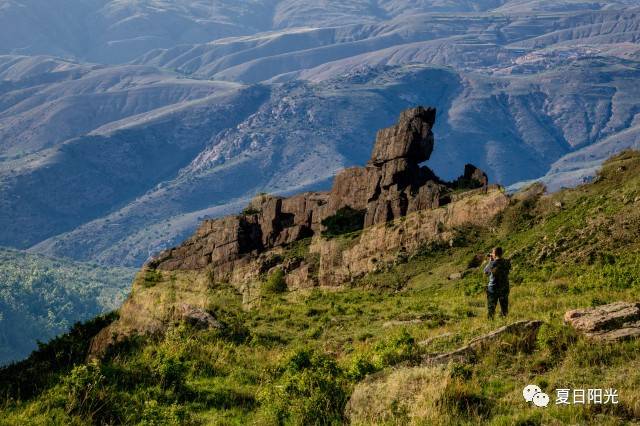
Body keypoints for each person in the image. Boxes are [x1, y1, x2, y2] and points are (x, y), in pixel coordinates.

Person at [483, 247, 511, 320]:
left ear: (494, 254)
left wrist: (490, 261)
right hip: (504, 287)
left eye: (492, 253)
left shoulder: (493, 263)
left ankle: (490, 323)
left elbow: (486, 272)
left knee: (491, 308)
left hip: (493, 288)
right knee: (504, 308)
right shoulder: (507, 262)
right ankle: (505, 322)